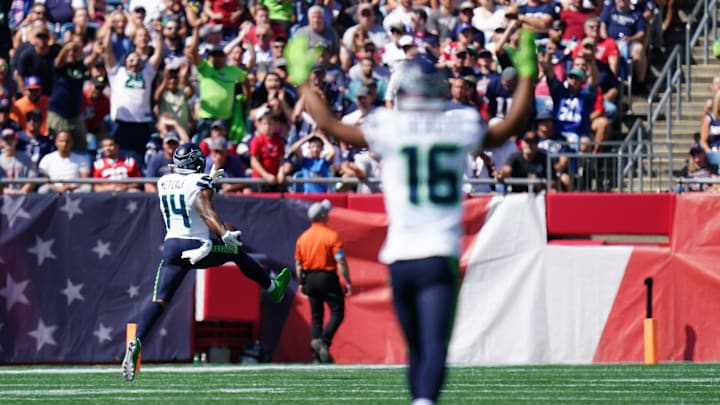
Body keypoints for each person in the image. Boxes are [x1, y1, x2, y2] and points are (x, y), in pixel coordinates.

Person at [286, 28, 537, 404]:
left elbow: (331, 125)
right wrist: (528, 77)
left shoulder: (389, 125)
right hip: (439, 255)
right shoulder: (460, 123)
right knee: (434, 344)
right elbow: (511, 126)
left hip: (400, 257)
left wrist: (303, 82)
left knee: (417, 347)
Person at [121, 143, 291, 382]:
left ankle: (137, 340)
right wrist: (223, 233)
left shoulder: (163, 181)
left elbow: (187, 194)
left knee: (159, 301)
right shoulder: (200, 182)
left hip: (172, 246)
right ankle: (273, 289)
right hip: (196, 245)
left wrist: (209, 180)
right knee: (235, 252)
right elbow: (203, 208)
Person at [295, 199, 352, 363]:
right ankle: (324, 342)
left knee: (316, 316)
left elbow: (298, 265)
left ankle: (316, 353)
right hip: (327, 276)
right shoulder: (331, 235)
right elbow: (340, 260)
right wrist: (347, 281)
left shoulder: (303, 238)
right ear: (321, 216)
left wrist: (301, 282)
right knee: (338, 312)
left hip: (310, 278)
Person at [0, 128, 38, 194]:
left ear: (16, 140)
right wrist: (9, 192)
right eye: (6, 139)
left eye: (11, 139)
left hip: (24, 197)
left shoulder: (26, 158)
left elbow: (33, 179)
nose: (9, 142)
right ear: (1, 142)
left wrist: (22, 191)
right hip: (4, 198)